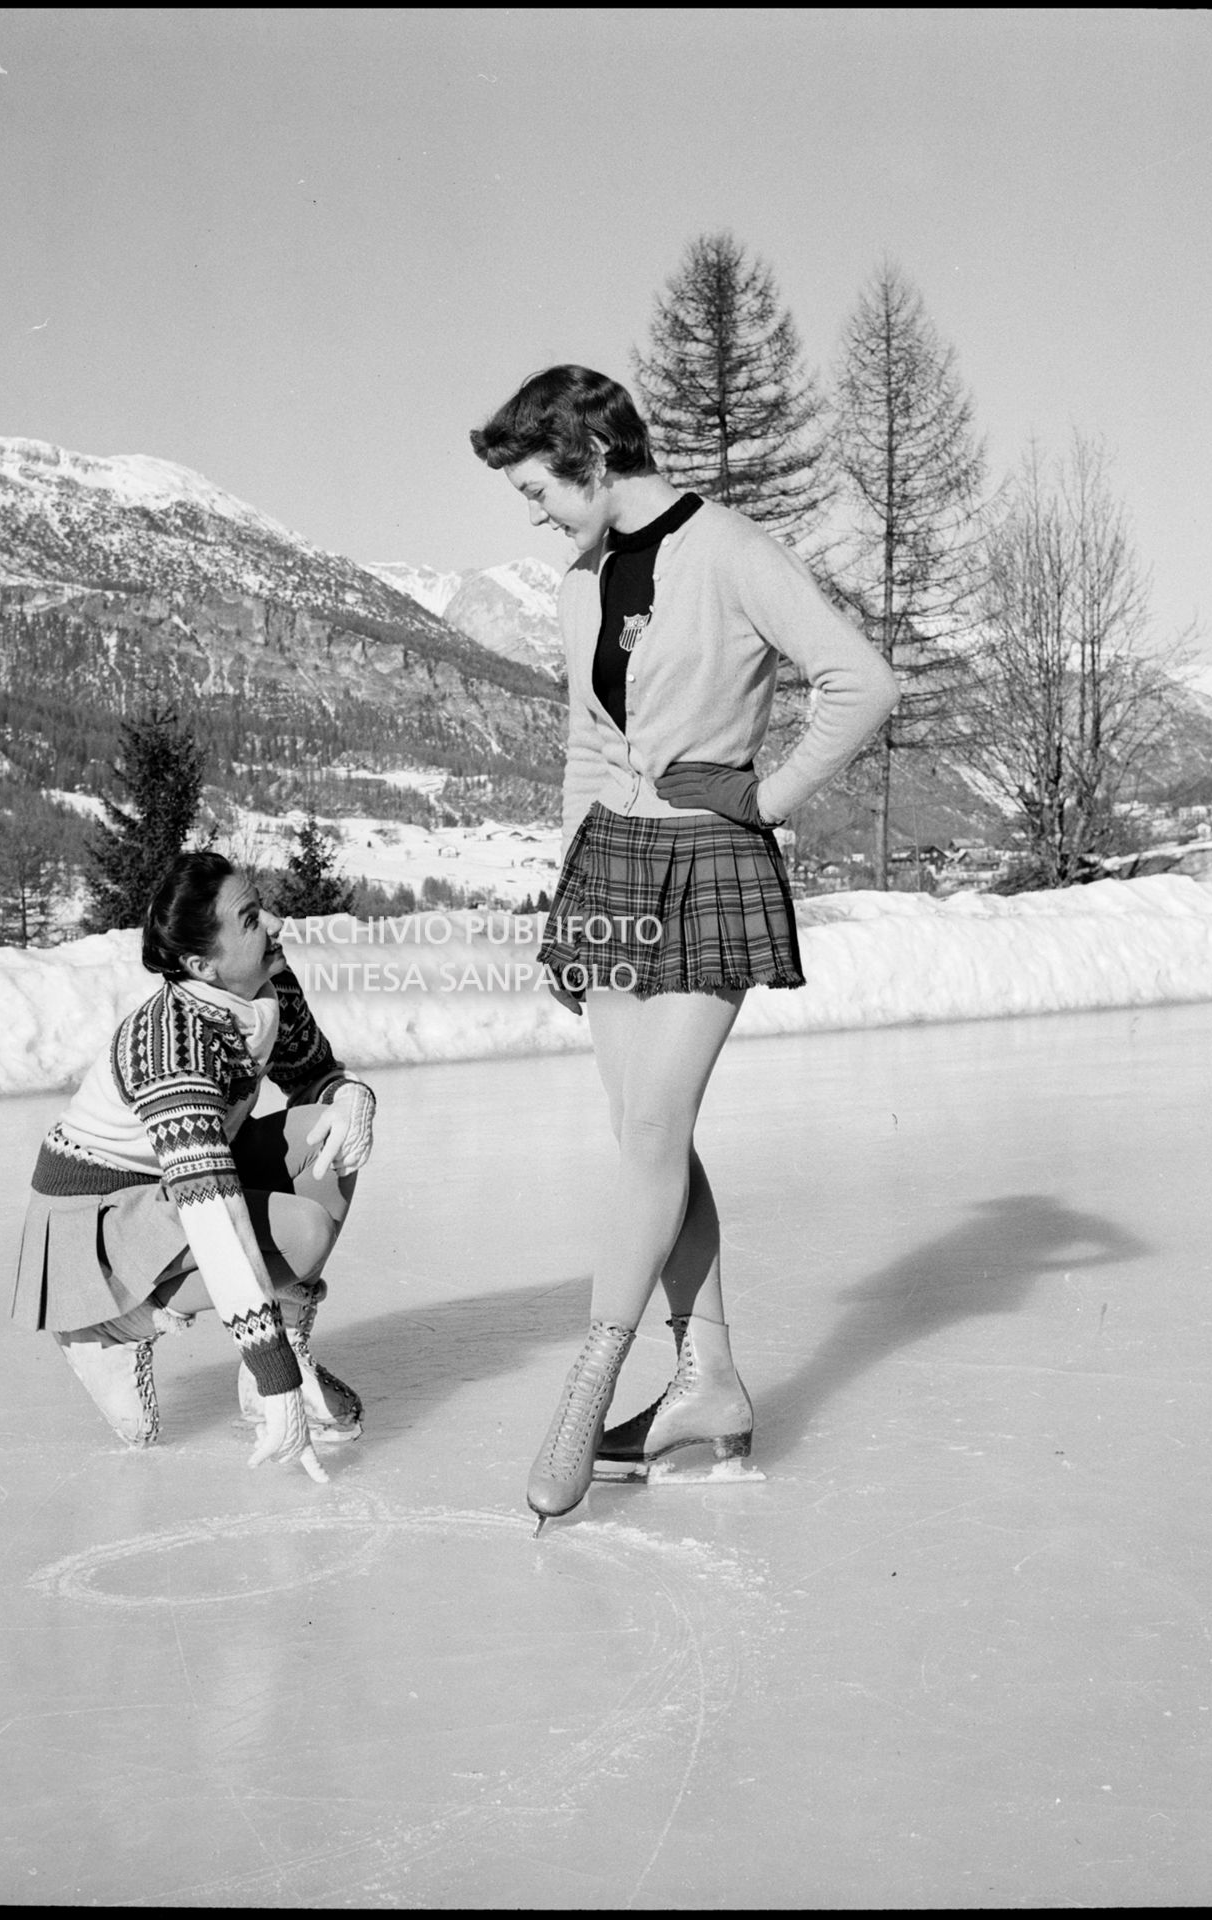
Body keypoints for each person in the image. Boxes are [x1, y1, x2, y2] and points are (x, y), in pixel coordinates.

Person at [469, 365, 899, 1526]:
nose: (535, 514)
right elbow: (587, 745)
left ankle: (594, 1373)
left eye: (537, 489)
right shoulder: (580, 581)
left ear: (594, 458)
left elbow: (862, 681)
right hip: (611, 862)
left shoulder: (730, 550)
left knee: (655, 1125)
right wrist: (573, 889)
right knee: (642, 1134)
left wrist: (769, 795)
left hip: (712, 861)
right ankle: (706, 1386)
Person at [11, 850, 376, 1479]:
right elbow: (216, 1221)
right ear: (201, 964)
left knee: (329, 1133)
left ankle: (274, 1349)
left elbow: (312, 1074)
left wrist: (351, 1097)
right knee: (302, 1233)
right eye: (251, 919)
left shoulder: (266, 982)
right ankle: (111, 1323)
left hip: (185, 1182)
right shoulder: (172, 1042)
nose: (275, 925)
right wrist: (279, 1382)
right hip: (103, 1213)